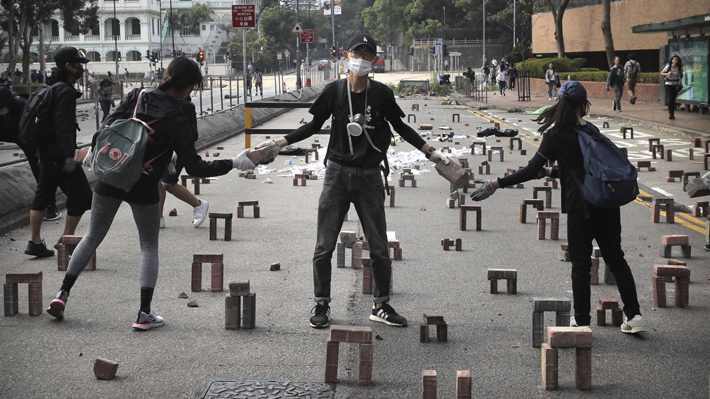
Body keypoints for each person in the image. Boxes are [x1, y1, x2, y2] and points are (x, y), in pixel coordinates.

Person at [253, 33, 451, 329]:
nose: (362, 59)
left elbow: (401, 127)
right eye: (358, 53)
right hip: (336, 175)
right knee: (324, 245)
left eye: (368, 54)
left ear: (374, 59)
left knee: (379, 246)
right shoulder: (334, 90)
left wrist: (432, 153)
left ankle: (381, 305)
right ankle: (322, 303)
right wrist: (278, 143)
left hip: (370, 177)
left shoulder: (381, 94)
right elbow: (312, 126)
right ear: (347, 55)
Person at [46, 57, 257, 329]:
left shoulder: (137, 95)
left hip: (111, 174)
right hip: (144, 184)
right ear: (189, 86)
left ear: (167, 73)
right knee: (148, 246)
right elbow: (194, 165)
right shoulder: (180, 116)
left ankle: (62, 294)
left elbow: (103, 132)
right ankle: (143, 314)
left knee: (92, 236)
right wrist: (234, 162)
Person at [470, 81, 646, 334]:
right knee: (616, 258)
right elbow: (580, 168)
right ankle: (635, 315)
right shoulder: (592, 131)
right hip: (606, 204)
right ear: (583, 104)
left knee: (581, 264)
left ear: (560, 102)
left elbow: (530, 171)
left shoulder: (556, 135)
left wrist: (496, 183)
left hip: (580, 207)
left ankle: (582, 320)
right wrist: (552, 171)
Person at [26, 47, 94, 258]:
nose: (81, 68)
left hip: (46, 152)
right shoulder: (64, 91)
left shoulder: (52, 87)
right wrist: (68, 156)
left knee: (43, 195)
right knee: (82, 196)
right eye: (78, 64)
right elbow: (63, 127)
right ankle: (67, 239)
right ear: (68, 66)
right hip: (58, 154)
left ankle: (35, 242)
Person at [0, 87, 62, 221]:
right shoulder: (4, 109)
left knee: (40, 169)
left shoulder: (24, 108)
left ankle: (51, 206)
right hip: (14, 133)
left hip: (33, 138)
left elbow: (37, 131)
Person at [158, 92, 209, 229]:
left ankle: (198, 205)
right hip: (164, 149)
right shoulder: (166, 102)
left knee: (168, 183)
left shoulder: (185, 105)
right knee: (158, 182)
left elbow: (193, 134)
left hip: (179, 150)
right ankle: (158, 218)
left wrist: (177, 147)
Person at [660, 55, 683, 120]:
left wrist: (680, 81)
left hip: (675, 84)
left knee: (673, 99)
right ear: (672, 60)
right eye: (674, 59)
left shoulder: (679, 67)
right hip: (668, 84)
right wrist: (667, 74)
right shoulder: (668, 66)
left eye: (677, 60)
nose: (676, 61)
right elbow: (662, 73)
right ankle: (671, 114)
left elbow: (681, 74)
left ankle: (672, 113)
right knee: (670, 98)